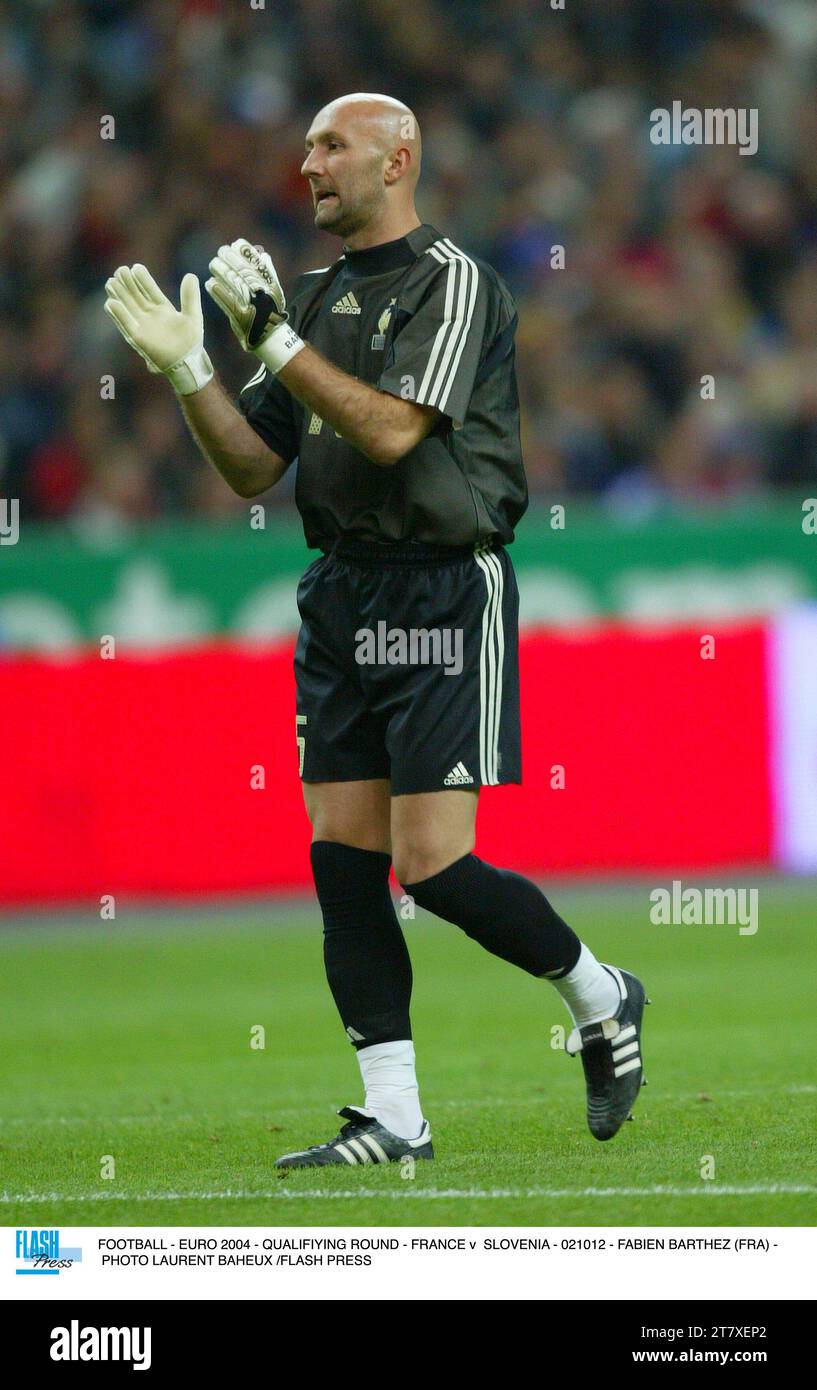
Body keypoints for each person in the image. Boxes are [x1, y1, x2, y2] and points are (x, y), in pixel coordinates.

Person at [104, 92, 648, 1169]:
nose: (307, 163)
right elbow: (258, 465)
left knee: (433, 868)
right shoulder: (305, 296)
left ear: (396, 159)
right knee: (342, 862)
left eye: (331, 145)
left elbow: (395, 430)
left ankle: (600, 993)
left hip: (445, 590)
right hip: (342, 592)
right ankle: (394, 1114)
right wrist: (190, 369)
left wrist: (278, 339)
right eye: (307, 145)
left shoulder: (456, 284)